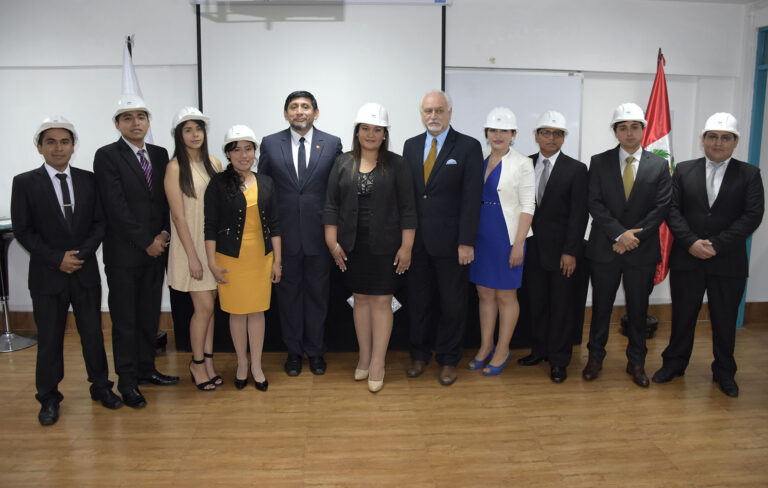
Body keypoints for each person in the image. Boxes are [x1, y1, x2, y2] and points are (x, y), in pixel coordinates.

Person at [11, 116, 122, 425]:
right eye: (51, 142)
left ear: (73, 146)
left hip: (84, 272)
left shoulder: (89, 179)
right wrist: (57, 258)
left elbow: (100, 222)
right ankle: (48, 397)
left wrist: (80, 255)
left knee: (93, 335)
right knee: (49, 339)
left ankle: (101, 387)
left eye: (64, 141)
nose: (58, 147)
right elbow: (23, 230)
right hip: (48, 276)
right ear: (39, 147)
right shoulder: (24, 183)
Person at [652, 113, 764, 397]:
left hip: (727, 261)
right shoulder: (684, 170)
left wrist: (716, 244)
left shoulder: (750, 174)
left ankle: (724, 371)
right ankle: (674, 364)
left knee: (725, 319)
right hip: (687, 258)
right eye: (712, 136)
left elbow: (752, 215)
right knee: (683, 316)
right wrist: (690, 242)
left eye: (725, 138)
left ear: (735, 142)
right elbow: (671, 209)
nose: (718, 143)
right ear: (703, 139)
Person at [323, 103, 417, 393]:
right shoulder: (342, 162)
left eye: (377, 129)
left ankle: (378, 362)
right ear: (357, 131)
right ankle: (363, 356)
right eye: (365, 128)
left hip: (386, 247)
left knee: (380, 301)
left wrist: (407, 246)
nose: (371, 134)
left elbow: (408, 209)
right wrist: (331, 240)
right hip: (352, 246)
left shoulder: (398, 164)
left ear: (385, 134)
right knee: (360, 300)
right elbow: (330, 205)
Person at [93, 95, 179, 409]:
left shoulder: (159, 153)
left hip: (155, 251)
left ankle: (146, 370)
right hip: (125, 255)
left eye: (141, 116)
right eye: (128, 117)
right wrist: (146, 241)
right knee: (125, 320)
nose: (136, 122)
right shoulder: (106, 156)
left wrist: (164, 234)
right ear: (117, 124)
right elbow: (116, 207)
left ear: (148, 121)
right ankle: (127, 381)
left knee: (147, 317)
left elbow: (163, 201)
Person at [582, 102, 672, 387]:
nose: (629, 133)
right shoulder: (599, 161)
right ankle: (595, 359)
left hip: (641, 251)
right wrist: (619, 235)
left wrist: (632, 238)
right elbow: (594, 203)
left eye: (635, 127)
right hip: (605, 248)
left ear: (643, 130)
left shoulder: (659, 165)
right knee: (601, 309)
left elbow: (661, 208)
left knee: (637, 310)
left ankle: (637, 362)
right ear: (615, 131)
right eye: (623, 127)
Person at [258, 91, 343, 377]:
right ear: (286, 113)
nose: (299, 112)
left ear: (315, 113)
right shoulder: (270, 144)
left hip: (321, 238)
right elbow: (265, 190)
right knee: (289, 298)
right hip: (284, 238)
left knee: (319, 298)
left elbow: (337, 192)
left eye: (305, 107)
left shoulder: (332, 144)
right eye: (293, 107)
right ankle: (294, 353)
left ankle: (316, 352)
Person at [403, 90, 483, 386]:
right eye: (427, 111)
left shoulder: (468, 146)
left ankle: (449, 360)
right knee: (419, 301)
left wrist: (466, 241)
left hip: (453, 245)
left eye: (438, 110)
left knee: (453, 304)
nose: (433, 116)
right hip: (417, 243)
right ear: (421, 114)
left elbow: (471, 198)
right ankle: (419, 355)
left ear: (450, 112)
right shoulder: (410, 146)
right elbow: (409, 196)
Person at [205, 125, 281, 392]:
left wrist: (278, 261)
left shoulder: (267, 182)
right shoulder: (218, 183)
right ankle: (241, 363)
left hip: (260, 257)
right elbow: (210, 225)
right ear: (227, 153)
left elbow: (274, 224)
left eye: (248, 148)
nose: (243, 154)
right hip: (230, 258)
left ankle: (257, 365)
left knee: (257, 312)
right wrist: (212, 263)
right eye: (236, 149)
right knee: (237, 314)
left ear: (255, 152)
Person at [518, 111, 588, 383]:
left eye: (557, 133)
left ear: (563, 138)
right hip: (531, 247)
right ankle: (539, 350)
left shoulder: (576, 169)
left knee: (561, 306)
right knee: (536, 303)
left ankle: (559, 360)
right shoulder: (525, 163)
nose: (551, 138)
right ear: (536, 136)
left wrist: (571, 251)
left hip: (562, 252)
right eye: (545, 132)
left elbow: (578, 214)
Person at [467, 107, 534, 376]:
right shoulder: (479, 158)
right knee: (484, 294)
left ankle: (503, 349)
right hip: (481, 235)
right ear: (486, 133)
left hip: (507, 236)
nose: (498, 135)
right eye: (493, 130)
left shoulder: (522, 163)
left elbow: (528, 205)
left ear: (514, 134)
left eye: (504, 130)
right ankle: (485, 346)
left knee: (506, 295)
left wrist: (518, 244)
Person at [164, 107, 222, 391]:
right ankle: (196, 364)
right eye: (187, 130)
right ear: (179, 135)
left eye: (198, 128)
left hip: (212, 247)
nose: (194, 134)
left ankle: (208, 362)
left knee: (210, 310)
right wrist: (193, 257)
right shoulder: (175, 167)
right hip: (190, 250)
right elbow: (178, 216)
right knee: (204, 308)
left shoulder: (214, 163)